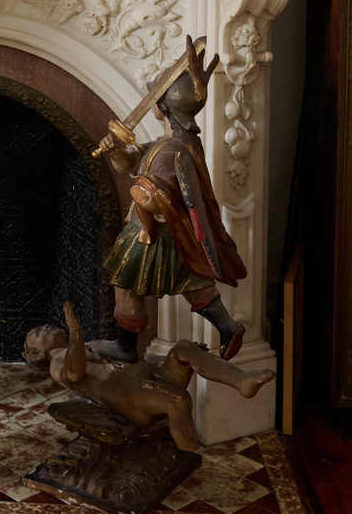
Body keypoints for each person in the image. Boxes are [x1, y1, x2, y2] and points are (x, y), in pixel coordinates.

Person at [94, 36, 248, 363]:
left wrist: (146, 192)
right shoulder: (177, 143)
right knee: (193, 282)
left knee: (124, 282)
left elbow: (154, 194)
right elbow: (132, 162)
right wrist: (117, 151)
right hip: (174, 235)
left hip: (151, 235)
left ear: (162, 108)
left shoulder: (171, 151)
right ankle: (229, 327)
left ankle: (124, 348)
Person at [22, 303, 275, 451]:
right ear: (33, 353)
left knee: (186, 348)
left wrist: (166, 361)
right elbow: (74, 372)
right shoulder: (57, 364)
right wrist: (75, 329)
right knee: (177, 400)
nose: (45, 327)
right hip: (129, 394)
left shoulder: (88, 346)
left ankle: (241, 380)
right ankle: (190, 459)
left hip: (147, 374)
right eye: (38, 331)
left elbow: (126, 356)